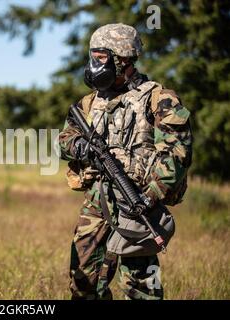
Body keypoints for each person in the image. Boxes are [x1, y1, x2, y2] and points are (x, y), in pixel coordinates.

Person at [59, 23, 192, 300]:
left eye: (101, 57)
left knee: (140, 286)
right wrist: (81, 147)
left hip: (139, 201)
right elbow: (65, 138)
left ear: (123, 58)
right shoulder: (88, 103)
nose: (95, 63)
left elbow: (178, 153)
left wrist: (149, 197)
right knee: (82, 282)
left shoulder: (159, 98)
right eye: (93, 56)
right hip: (97, 201)